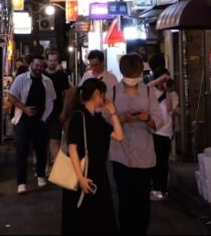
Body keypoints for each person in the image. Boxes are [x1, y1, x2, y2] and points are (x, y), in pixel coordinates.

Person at [109, 53, 163, 235]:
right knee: (125, 198)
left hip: (145, 155)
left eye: (135, 74)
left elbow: (158, 118)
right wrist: (121, 118)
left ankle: (140, 231)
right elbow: (104, 117)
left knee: (142, 199)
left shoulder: (148, 91)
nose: (132, 79)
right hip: (121, 154)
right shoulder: (114, 91)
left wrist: (147, 118)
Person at [61, 78, 123, 235]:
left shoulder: (97, 118)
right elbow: (72, 148)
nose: (105, 98)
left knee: (98, 216)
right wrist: (80, 178)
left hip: (98, 173)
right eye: (103, 94)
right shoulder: (78, 116)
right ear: (97, 94)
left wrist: (113, 111)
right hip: (82, 173)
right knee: (82, 216)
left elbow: (119, 135)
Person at [7, 54, 56, 194]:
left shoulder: (47, 81)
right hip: (23, 119)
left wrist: (48, 116)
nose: (39, 68)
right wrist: (24, 108)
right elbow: (11, 96)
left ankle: (41, 176)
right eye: (36, 65)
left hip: (41, 119)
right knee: (22, 150)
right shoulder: (21, 79)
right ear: (31, 65)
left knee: (41, 149)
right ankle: (21, 183)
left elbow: (52, 99)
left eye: (41, 66)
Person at [149, 78, 179, 200]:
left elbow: (169, 108)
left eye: (165, 80)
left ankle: (162, 189)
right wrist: (159, 79)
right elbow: (145, 86)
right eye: (161, 80)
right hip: (152, 131)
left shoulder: (173, 95)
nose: (163, 83)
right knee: (153, 162)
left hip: (165, 132)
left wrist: (167, 90)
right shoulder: (152, 92)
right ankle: (155, 187)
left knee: (162, 162)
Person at [45, 50, 72, 165]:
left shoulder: (62, 75)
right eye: (50, 60)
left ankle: (58, 167)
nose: (52, 63)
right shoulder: (42, 74)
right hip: (43, 112)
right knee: (44, 140)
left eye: (54, 60)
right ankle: (45, 167)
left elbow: (67, 94)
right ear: (47, 61)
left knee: (54, 139)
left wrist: (64, 111)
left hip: (57, 111)